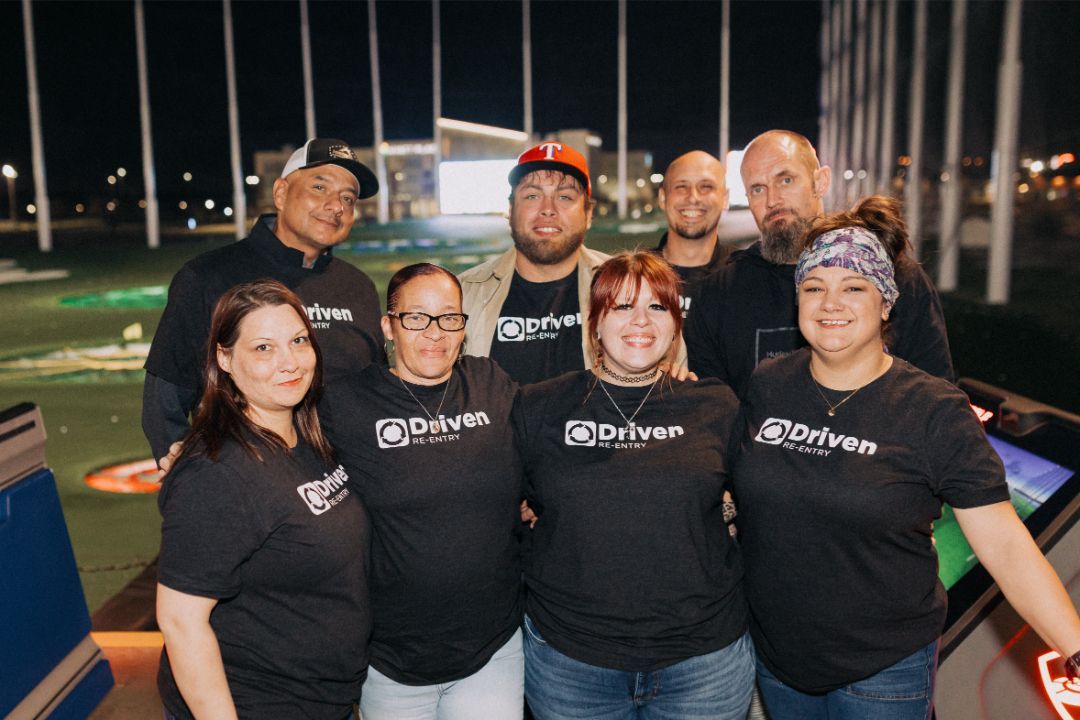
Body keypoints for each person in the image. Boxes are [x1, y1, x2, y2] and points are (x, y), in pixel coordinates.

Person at [731, 197, 1080, 719]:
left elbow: (1006, 545)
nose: (830, 303)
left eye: (854, 287)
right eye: (814, 287)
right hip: (780, 660)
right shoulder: (769, 384)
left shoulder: (934, 409)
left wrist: (1075, 647)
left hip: (882, 671)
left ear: (886, 303)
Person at [516, 251, 753, 720]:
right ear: (595, 324)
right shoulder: (539, 406)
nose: (640, 320)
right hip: (573, 663)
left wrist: (725, 509)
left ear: (675, 325)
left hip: (703, 664)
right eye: (622, 306)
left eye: (657, 307)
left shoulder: (714, 404)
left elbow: (759, 499)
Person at [156, 279, 369, 720]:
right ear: (224, 358)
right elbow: (181, 621)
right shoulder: (216, 471)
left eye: (298, 341)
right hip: (258, 704)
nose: (289, 362)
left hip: (322, 701)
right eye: (263, 348)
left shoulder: (308, 436)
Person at [320, 263, 524, 719]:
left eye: (449, 317)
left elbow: (554, 433)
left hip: (491, 650)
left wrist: (665, 381)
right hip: (389, 659)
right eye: (416, 317)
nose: (435, 332)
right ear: (388, 326)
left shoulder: (489, 382)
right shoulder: (345, 404)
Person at [143, 138, 384, 468]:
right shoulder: (207, 277)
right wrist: (190, 476)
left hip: (348, 483)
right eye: (319, 187)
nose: (336, 205)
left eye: (348, 198)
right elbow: (164, 403)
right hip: (250, 484)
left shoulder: (358, 286)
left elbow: (377, 390)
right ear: (281, 193)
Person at [687, 130, 953, 398]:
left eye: (786, 180)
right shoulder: (717, 295)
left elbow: (935, 394)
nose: (772, 200)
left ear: (820, 181)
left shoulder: (893, 275)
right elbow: (712, 410)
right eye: (757, 189)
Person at [458, 142, 609, 385]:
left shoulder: (628, 286)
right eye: (532, 196)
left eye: (564, 197)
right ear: (510, 210)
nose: (548, 209)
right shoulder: (463, 294)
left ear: (588, 214)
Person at [651, 150, 733, 327]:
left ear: (725, 199)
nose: (693, 198)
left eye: (706, 187)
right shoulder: (633, 276)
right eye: (681, 187)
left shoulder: (746, 276)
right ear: (662, 198)